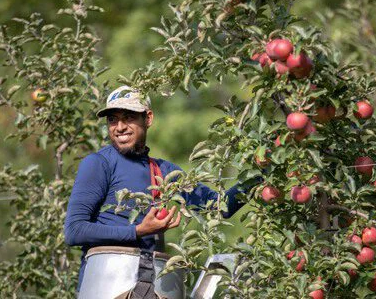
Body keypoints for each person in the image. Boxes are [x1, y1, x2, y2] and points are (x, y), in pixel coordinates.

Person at [64, 86, 252, 297]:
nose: (120, 127)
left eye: (129, 117)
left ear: (148, 119)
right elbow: (74, 231)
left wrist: (262, 174)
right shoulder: (99, 164)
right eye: (112, 120)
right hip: (105, 286)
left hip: (149, 288)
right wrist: (138, 231)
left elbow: (220, 207)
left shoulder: (164, 172)